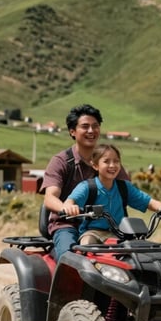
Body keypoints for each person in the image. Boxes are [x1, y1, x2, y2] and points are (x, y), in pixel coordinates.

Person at [41, 104, 129, 259]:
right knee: (70, 260)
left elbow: (128, 192)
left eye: (95, 126)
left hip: (107, 227)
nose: (91, 131)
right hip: (68, 226)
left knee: (138, 256)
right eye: (85, 126)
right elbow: (50, 197)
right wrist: (65, 208)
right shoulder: (61, 162)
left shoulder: (111, 163)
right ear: (72, 131)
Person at [61, 144, 161, 244]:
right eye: (106, 161)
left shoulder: (124, 187)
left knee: (139, 253)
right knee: (87, 246)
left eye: (116, 161)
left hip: (119, 234)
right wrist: (70, 207)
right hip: (93, 233)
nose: (112, 165)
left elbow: (148, 201)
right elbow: (70, 201)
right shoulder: (87, 187)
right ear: (95, 165)